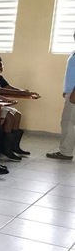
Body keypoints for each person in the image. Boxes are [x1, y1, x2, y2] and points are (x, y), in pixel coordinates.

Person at [0, 55, 36, 157]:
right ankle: (4, 148)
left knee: (18, 115)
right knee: (10, 116)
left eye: (0, 65)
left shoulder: (0, 78)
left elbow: (9, 88)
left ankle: (13, 146)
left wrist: (25, 92)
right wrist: (22, 93)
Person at [48, 32, 75, 160]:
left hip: (74, 94)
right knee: (69, 122)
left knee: (68, 122)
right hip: (70, 92)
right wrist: (67, 90)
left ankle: (66, 152)